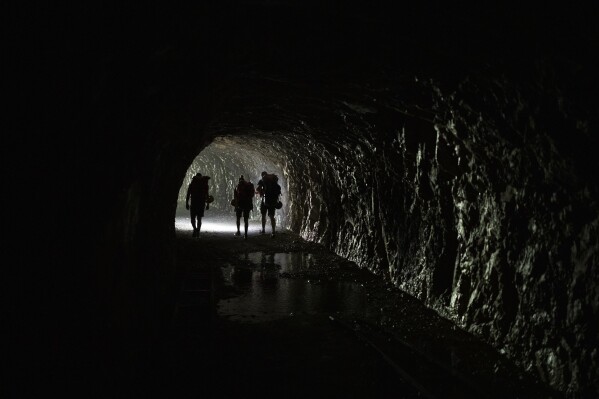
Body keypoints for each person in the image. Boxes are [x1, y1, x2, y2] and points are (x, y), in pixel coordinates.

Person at [256, 171, 282, 237]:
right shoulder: (274, 181)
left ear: (262, 175)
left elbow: (258, 189)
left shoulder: (262, 181)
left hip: (265, 200)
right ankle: (273, 231)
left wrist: (259, 192)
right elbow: (278, 192)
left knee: (263, 215)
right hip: (273, 200)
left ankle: (263, 230)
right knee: (271, 216)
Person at [185, 172, 210, 237]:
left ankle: (195, 229)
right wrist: (207, 204)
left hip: (193, 203)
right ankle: (197, 231)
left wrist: (187, 203)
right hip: (201, 203)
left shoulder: (192, 184)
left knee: (193, 218)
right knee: (199, 218)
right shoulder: (205, 185)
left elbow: (188, 195)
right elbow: (207, 195)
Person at [234, 175, 255, 240]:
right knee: (246, 220)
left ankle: (238, 231)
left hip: (240, 204)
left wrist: (236, 206)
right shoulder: (249, 186)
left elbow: (236, 197)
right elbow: (252, 195)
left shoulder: (237, 186)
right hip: (247, 204)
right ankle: (245, 234)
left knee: (238, 218)